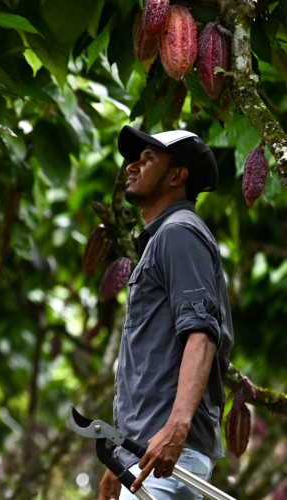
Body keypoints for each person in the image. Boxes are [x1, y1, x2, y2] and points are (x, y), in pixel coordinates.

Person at [98, 126, 235, 500]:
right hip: (145, 457)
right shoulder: (164, 238)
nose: (131, 166)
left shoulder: (179, 232)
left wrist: (177, 429)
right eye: (134, 158)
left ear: (178, 175)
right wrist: (119, 460)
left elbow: (202, 334)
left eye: (148, 158)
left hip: (168, 456)